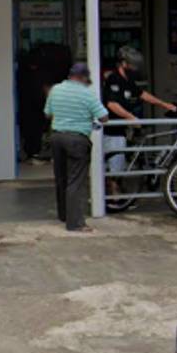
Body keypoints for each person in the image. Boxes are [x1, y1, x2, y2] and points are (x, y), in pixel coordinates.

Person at [102, 45, 177, 196]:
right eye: (131, 65)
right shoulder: (114, 78)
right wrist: (131, 117)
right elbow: (111, 104)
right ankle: (114, 199)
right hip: (112, 131)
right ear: (123, 63)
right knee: (115, 167)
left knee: (121, 162)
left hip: (122, 131)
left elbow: (142, 94)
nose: (134, 68)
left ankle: (118, 195)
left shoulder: (127, 80)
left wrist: (164, 104)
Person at [44, 62, 108, 232]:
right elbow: (103, 117)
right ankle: (75, 223)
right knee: (76, 182)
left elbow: (48, 113)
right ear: (84, 77)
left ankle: (63, 215)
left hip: (57, 137)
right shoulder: (87, 94)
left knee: (61, 178)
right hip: (77, 140)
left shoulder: (55, 89)